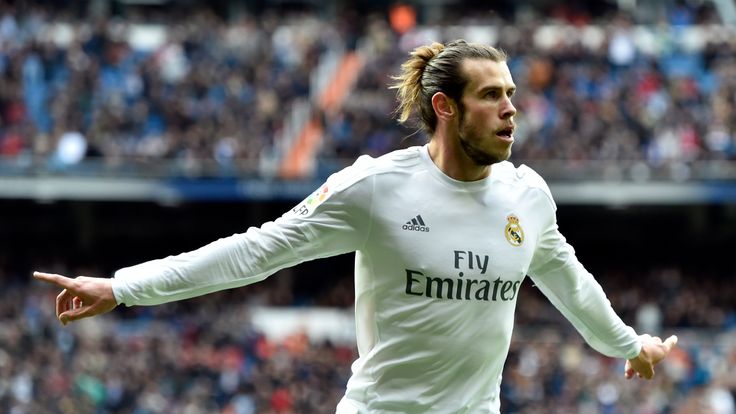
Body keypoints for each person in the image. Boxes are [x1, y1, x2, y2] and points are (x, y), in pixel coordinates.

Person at [34, 40, 677, 413]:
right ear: (445, 108)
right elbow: (254, 253)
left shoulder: (528, 196)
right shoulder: (374, 189)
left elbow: (571, 285)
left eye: (511, 94)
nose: (511, 109)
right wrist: (122, 287)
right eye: (492, 96)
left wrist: (629, 346)